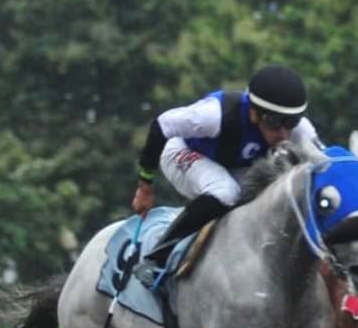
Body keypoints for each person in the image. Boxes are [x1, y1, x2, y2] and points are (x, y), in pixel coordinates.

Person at [130, 64, 321, 287]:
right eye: (273, 122)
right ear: (254, 112)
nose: (283, 133)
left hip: (230, 165)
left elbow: (325, 163)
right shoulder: (213, 115)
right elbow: (161, 125)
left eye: (290, 123)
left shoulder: (300, 130)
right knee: (226, 191)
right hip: (182, 151)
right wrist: (145, 187)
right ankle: (157, 258)